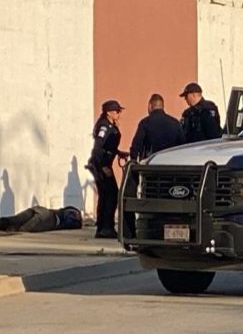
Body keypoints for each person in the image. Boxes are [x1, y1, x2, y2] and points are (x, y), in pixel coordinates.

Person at [87, 100, 128, 238]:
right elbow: (98, 148)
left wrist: (119, 153)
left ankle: (104, 226)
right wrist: (104, 166)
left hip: (105, 163)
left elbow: (109, 147)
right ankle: (105, 227)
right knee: (110, 194)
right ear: (108, 112)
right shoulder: (104, 127)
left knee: (107, 195)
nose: (118, 114)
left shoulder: (111, 125)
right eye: (116, 111)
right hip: (100, 165)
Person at [130, 94, 184, 161]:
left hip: (151, 165)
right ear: (162, 106)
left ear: (150, 105)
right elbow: (182, 144)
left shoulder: (145, 123)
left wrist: (133, 160)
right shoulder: (175, 123)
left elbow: (136, 145)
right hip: (171, 164)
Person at [0, 205, 84, 233]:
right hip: (49, 219)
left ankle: (4, 224)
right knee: (21, 228)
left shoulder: (69, 211)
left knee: (14, 220)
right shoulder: (75, 220)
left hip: (42, 210)